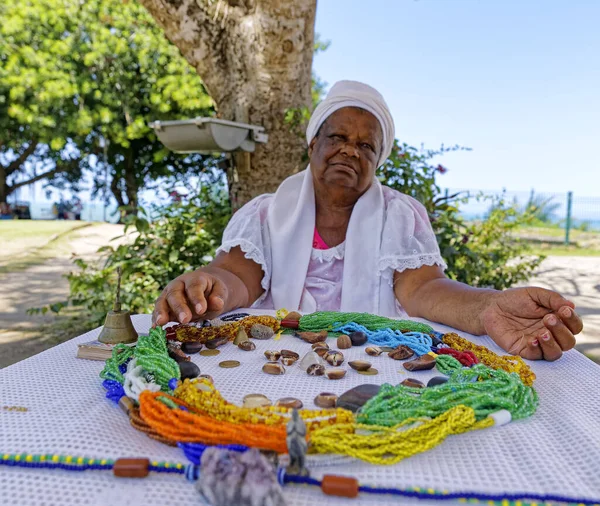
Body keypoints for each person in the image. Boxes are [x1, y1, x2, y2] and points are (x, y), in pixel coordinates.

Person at [153, 81, 582, 362]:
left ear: (379, 160)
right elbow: (236, 278)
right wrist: (206, 287)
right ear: (313, 143)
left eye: (366, 146)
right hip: (272, 358)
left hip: (376, 362)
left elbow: (423, 290)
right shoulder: (265, 213)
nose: (351, 151)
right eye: (338, 137)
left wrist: (488, 306)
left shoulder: (401, 215)